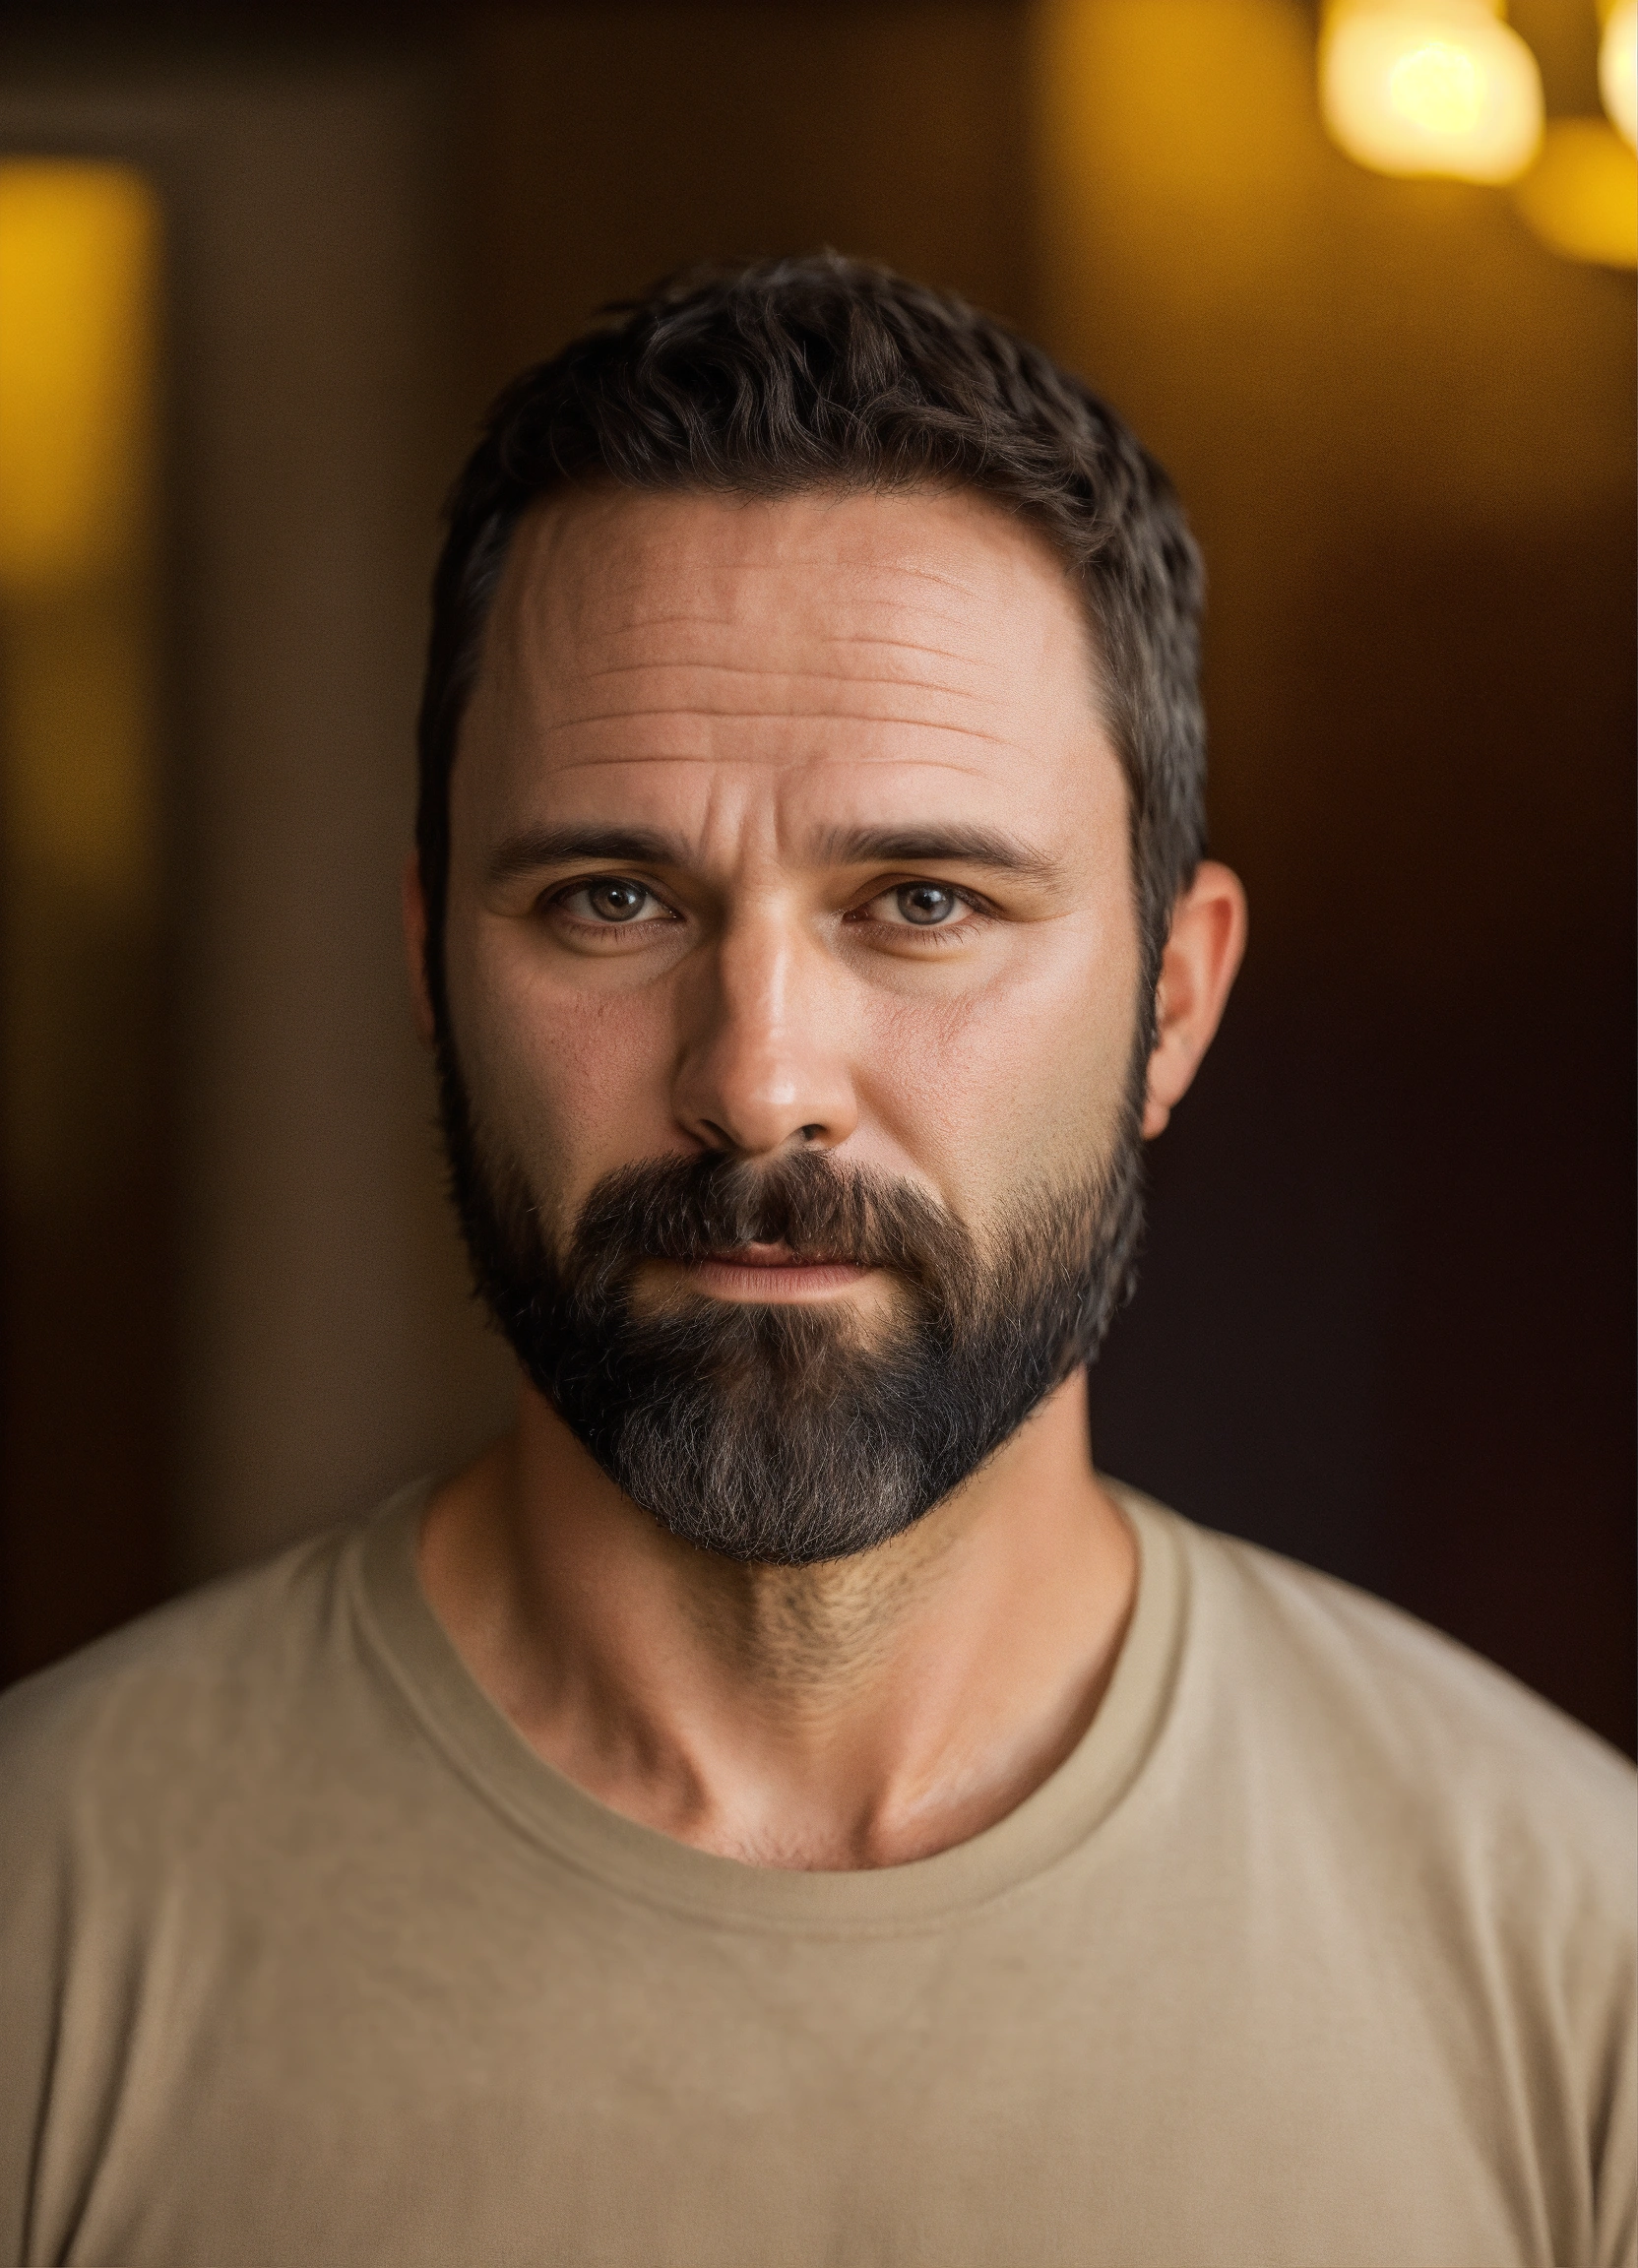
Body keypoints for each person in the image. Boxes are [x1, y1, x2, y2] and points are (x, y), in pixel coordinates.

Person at [0, 255, 1631, 2268]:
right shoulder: (36, 1934)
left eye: (921, 901)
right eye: (611, 899)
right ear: (433, 967)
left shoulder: (1580, 1973)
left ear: (1176, 1005)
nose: (757, 1083)